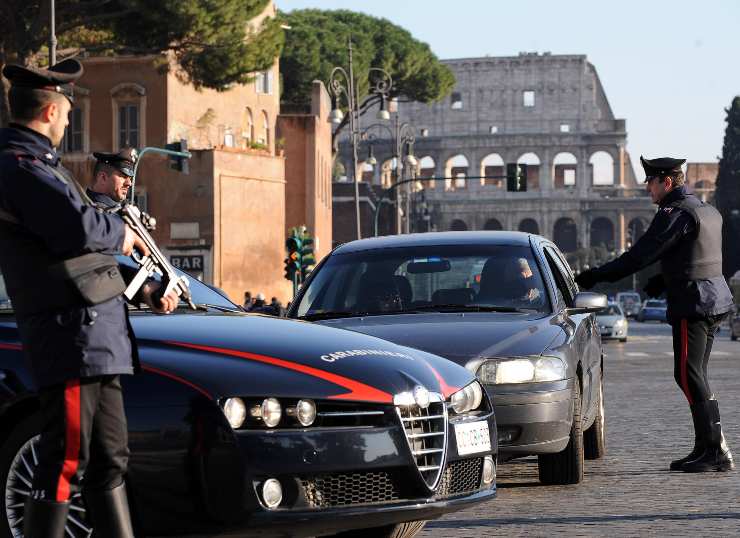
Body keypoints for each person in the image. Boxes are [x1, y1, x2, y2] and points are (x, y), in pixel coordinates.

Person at [0, 59, 179, 537]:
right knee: (66, 459)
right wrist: (122, 231)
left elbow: (87, 256)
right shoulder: (20, 167)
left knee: (109, 458)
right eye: (65, 114)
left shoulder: (44, 168)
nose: (66, 122)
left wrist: (148, 289)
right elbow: (79, 229)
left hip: (97, 339)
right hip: (71, 339)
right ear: (50, 112)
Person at [576, 156, 734, 473]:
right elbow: (700, 252)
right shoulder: (705, 209)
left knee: (689, 374)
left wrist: (597, 275)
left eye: (651, 182)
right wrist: (666, 278)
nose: (647, 188)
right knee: (694, 375)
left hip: (695, 302)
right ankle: (707, 447)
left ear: (667, 182)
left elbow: (642, 253)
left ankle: (715, 450)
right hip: (711, 298)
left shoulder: (674, 212)